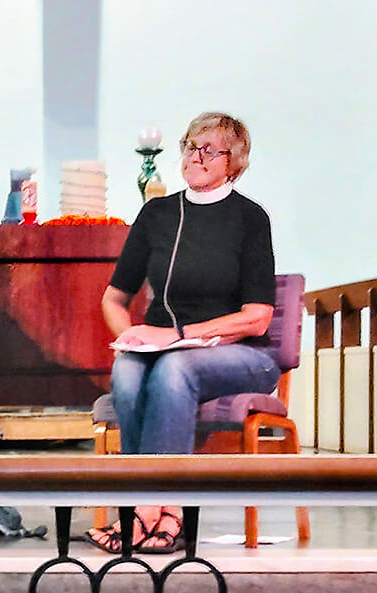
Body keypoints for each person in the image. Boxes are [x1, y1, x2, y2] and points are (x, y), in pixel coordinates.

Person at [87, 112, 279, 554]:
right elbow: (113, 299)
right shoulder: (156, 214)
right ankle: (142, 512)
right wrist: (129, 338)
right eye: (191, 146)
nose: (197, 156)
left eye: (211, 149)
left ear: (235, 162)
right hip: (165, 345)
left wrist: (176, 335)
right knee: (130, 374)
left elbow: (257, 317)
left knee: (174, 369)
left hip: (241, 352)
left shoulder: (250, 218)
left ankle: (162, 510)